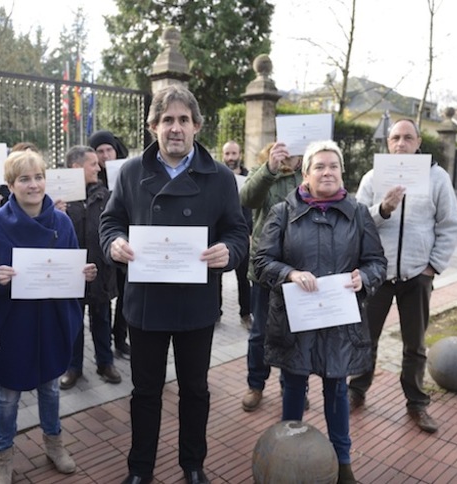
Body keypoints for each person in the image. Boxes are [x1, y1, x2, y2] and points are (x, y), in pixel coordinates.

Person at [100, 85, 248, 484]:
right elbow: (110, 220)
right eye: (168, 120)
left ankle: (193, 464)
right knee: (145, 392)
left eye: (184, 120)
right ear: (153, 127)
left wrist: (228, 252)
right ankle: (140, 468)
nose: (176, 128)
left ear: (197, 126)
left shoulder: (219, 177)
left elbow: (237, 231)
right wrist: (113, 243)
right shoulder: (131, 172)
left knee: (195, 391)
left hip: (196, 304)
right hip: (145, 303)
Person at [254, 140, 386, 483]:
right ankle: (286, 457)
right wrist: (290, 274)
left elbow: (376, 262)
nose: (328, 172)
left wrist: (365, 277)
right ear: (305, 173)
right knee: (294, 385)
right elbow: (261, 261)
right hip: (296, 319)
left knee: (337, 389)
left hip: (339, 321)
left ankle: (343, 463)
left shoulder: (357, 213)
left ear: (342, 172)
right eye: (320, 166)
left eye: (334, 166)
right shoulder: (283, 211)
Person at [0, 150, 97, 483]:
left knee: (51, 390)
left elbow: (70, 266)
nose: (33, 184)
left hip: (51, 321)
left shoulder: (61, 222)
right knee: (8, 397)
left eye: (38, 176)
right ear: (11, 185)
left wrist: (81, 274)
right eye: (24, 179)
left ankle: (54, 444)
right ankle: (3, 455)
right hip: (13, 324)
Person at [348, 118, 457, 434]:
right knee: (365, 339)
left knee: (415, 345)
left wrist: (432, 267)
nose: (401, 143)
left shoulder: (437, 178)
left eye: (407, 137)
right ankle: (356, 389)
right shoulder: (373, 177)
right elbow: (357, 224)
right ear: (387, 142)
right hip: (377, 274)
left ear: (418, 141)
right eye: (395, 137)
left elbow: (449, 225)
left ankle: (416, 403)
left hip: (416, 276)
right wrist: (383, 208)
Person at [239, 141, 303, 412]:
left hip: (301, 270)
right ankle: (256, 384)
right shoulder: (262, 170)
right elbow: (246, 199)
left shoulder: (311, 173)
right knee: (260, 332)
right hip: (266, 267)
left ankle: (293, 386)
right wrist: (270, 169)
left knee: (297, 331)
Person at [60, 146, 121, 389]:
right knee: (73, 323)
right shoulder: (57, 198)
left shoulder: (105, 195)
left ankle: (105, 363)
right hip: (71, 273)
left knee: (102, 318)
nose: (99, 167)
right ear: (76, 167)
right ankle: (73, 367)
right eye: (93, 164)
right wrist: (53, 214)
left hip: (100, 270)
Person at [88, 129, 132, 359]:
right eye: (100, 151)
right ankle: (102, 346)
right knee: (102, 298)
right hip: (100, 245)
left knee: (125, 292)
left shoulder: (128, 173)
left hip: (124, 241)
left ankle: (120, 338)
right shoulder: (88, 178)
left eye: (108, 150)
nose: (105, 156)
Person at [218, 140, 252, 330]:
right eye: (227, 154)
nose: (231, 158)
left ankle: (245, 313)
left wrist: (250, 231)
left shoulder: (249, 177)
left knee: (244, 277)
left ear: (240, 154)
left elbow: (252, 208)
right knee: (216, 277)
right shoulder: (217, 176)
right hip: (220, 234)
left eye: (234, 153)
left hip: (243, 235)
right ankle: (216, 313)